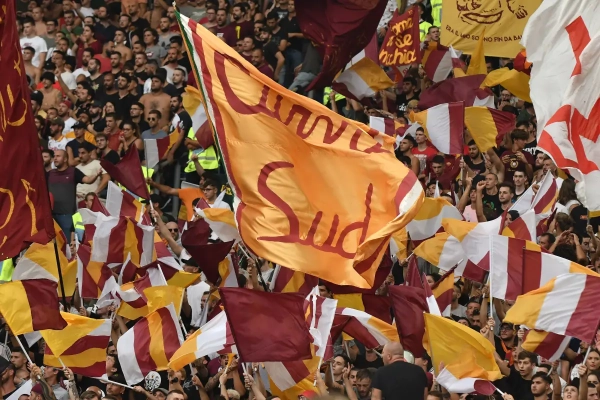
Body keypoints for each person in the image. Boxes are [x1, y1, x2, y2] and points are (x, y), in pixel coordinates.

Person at [47, 149, 102, 240]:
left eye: (58, 156)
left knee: (67, 242)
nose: (55, 158)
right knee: (54, 243)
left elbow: (88, 180)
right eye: (54, 156)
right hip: (51, 215)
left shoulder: (73, 172)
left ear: (65, 159)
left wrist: (96, 174)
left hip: (67, 215)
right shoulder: (49, 174)